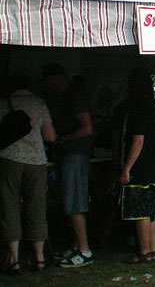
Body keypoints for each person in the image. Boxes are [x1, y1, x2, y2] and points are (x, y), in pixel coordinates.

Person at [0, 74, 56, 274]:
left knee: (9, 206)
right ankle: (40, 258)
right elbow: (50, 136)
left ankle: (14, 259)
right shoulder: (39, 103)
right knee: (37, 206)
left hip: (9, 159)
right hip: (37, 161)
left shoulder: (4, 103)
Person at [41, 63, 94, 267]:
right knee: (70, 201)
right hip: (71, 154)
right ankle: (77, 246)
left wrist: (64, 139)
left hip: (75, 154)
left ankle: (84, 250)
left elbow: (87, 128)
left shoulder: (75, 96)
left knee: (75, 203)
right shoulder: (69, 95)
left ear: (58, 78)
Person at [119, 67, 155, 263]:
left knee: (140, 209)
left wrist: (126, 167)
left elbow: (137, 141)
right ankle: (152, 249)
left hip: (142, 165)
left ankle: (144, 251)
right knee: (151, 209)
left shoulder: (138, 109)